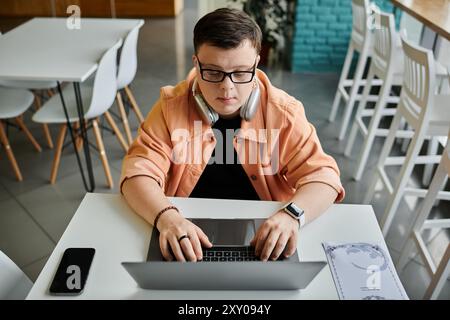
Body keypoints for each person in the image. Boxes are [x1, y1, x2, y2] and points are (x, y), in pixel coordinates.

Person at [120, 8, 345, 263]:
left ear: (256, 65)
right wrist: (167, 218)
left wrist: (291, 214)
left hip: (263, 237)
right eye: (214, 72)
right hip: (185, 231)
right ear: (196, 64)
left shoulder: (284, 112)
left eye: (240, 73)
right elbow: (136, 174)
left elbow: (324, 178)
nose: (227, 88)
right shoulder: (170, 107)